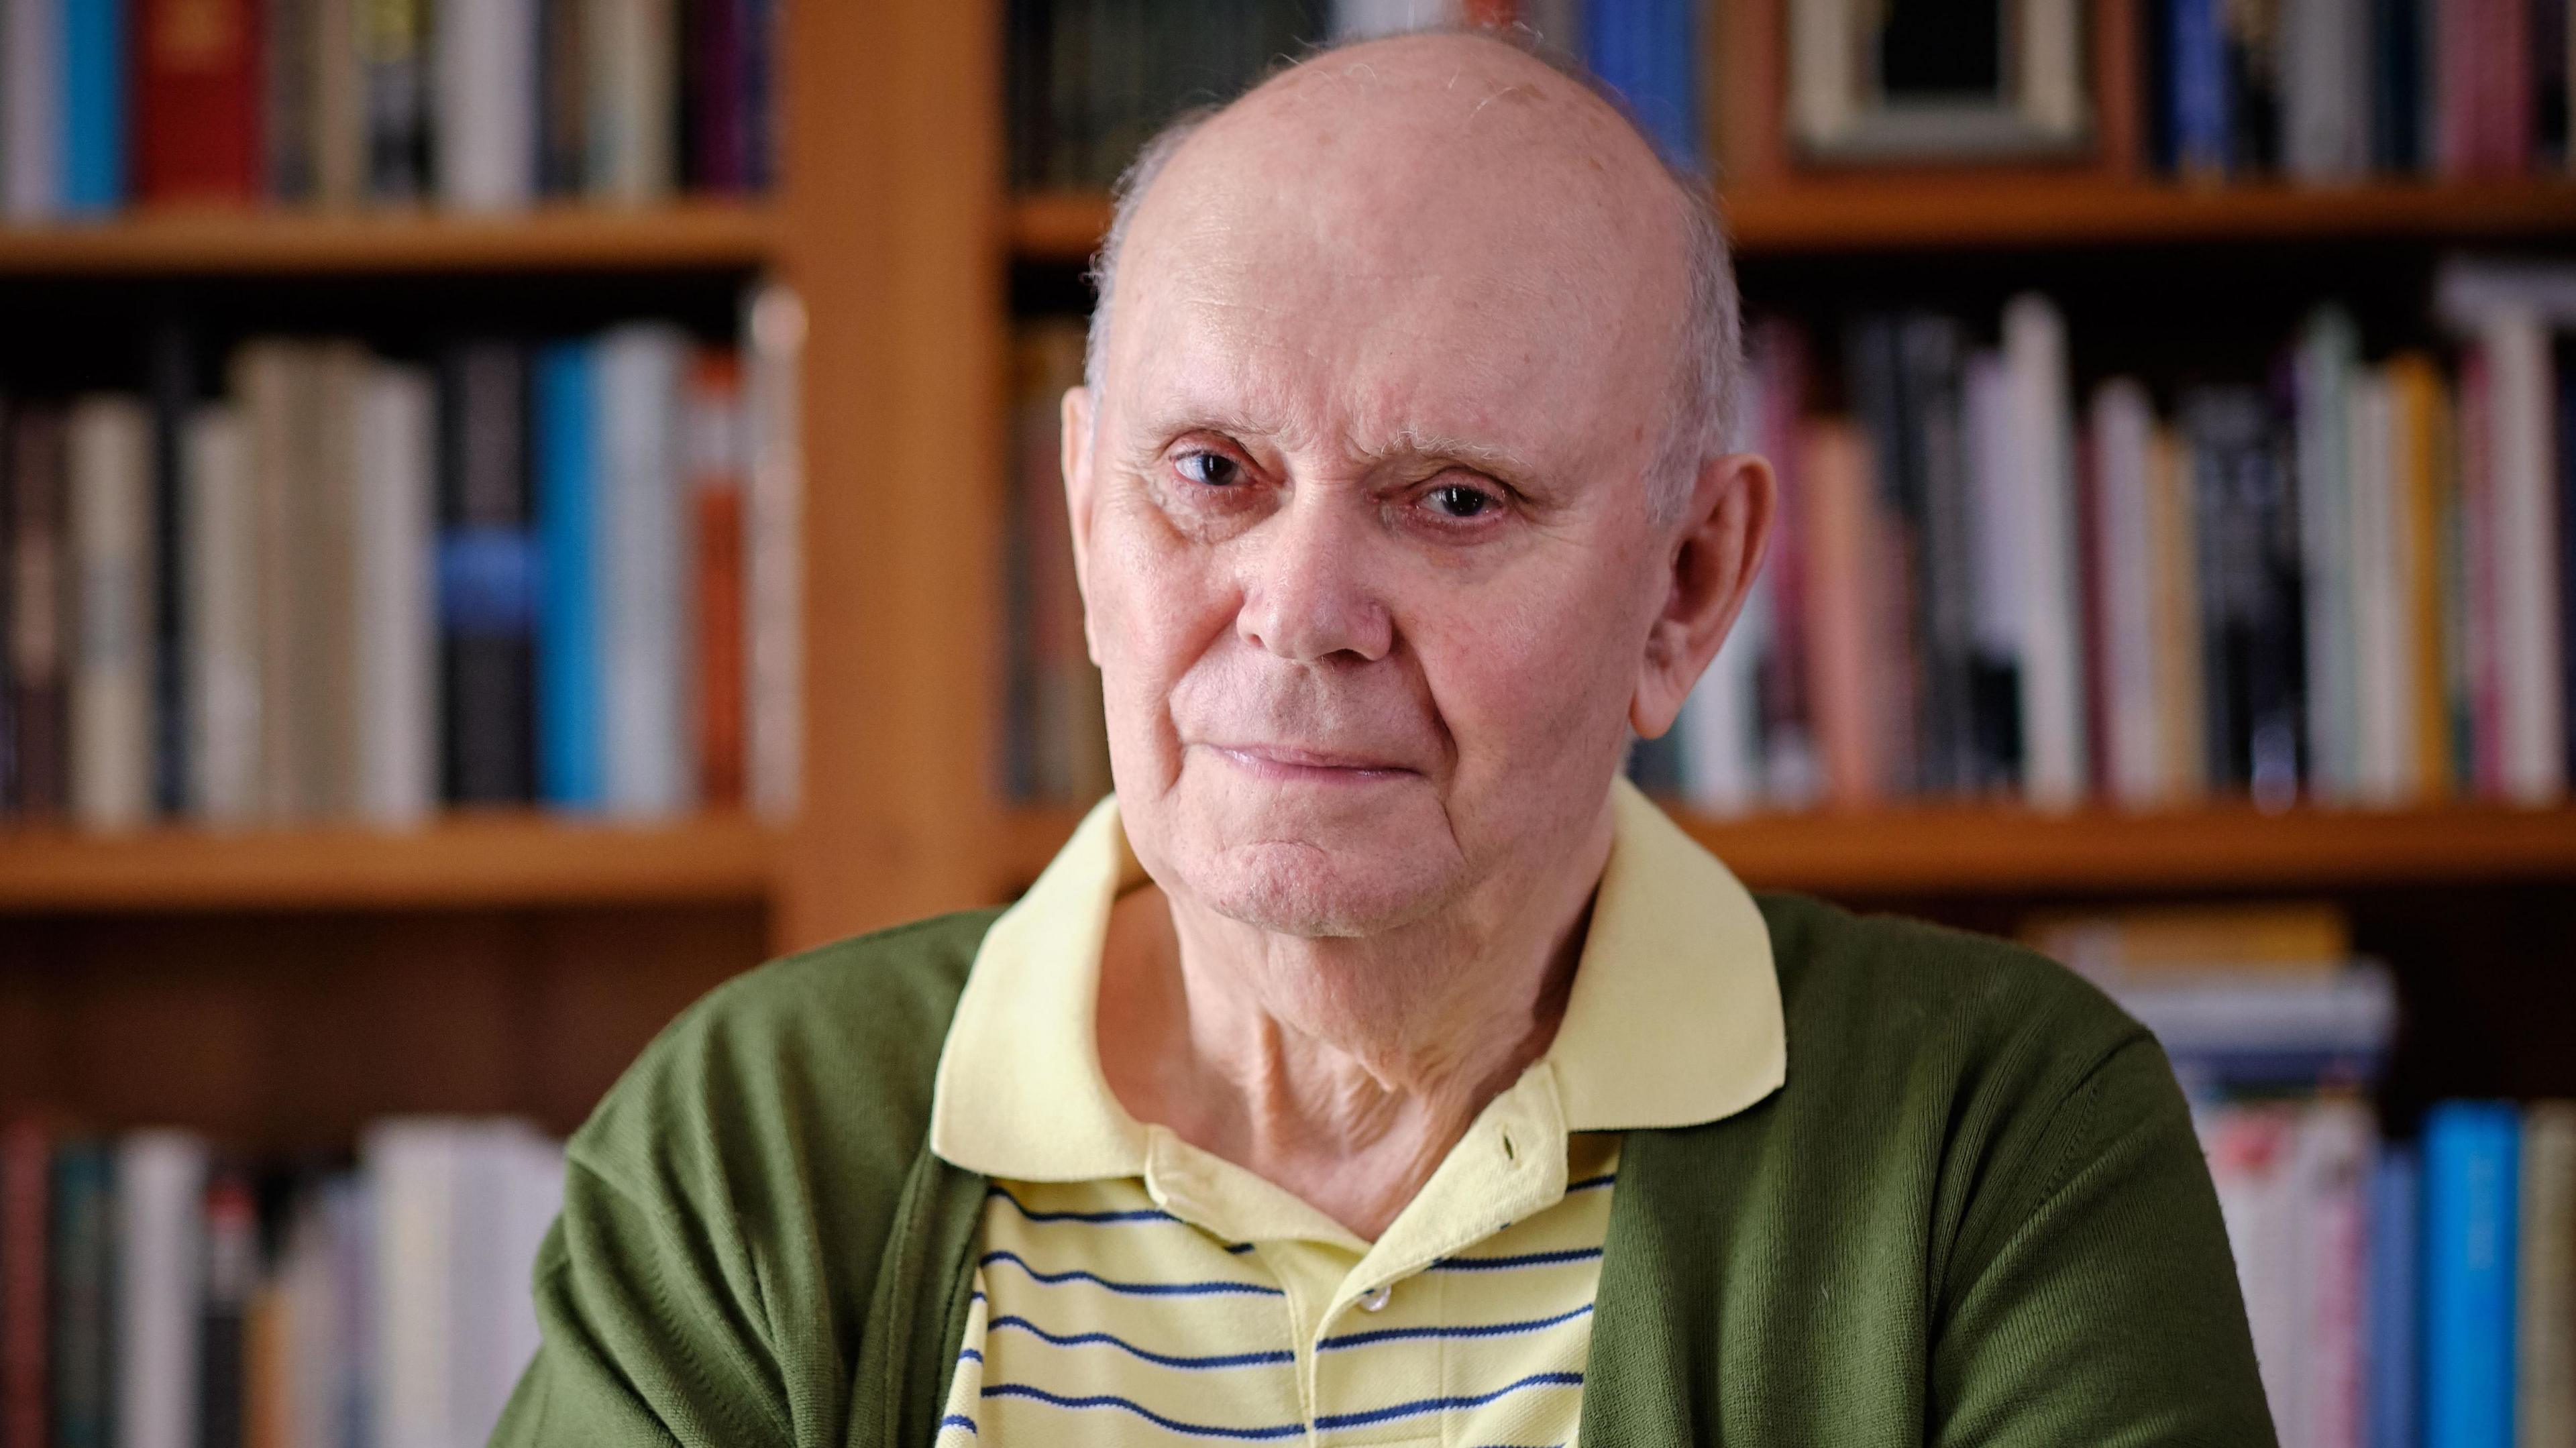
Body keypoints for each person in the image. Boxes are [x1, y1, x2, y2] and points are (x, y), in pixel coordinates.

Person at [492, 28, 2274, 1448]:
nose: (1299, 602)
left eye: (1455, 498)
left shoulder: (2002, 1140)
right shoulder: (754, 1139)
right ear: (1085, 520)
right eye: (1212, 475)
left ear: (1689, 584)